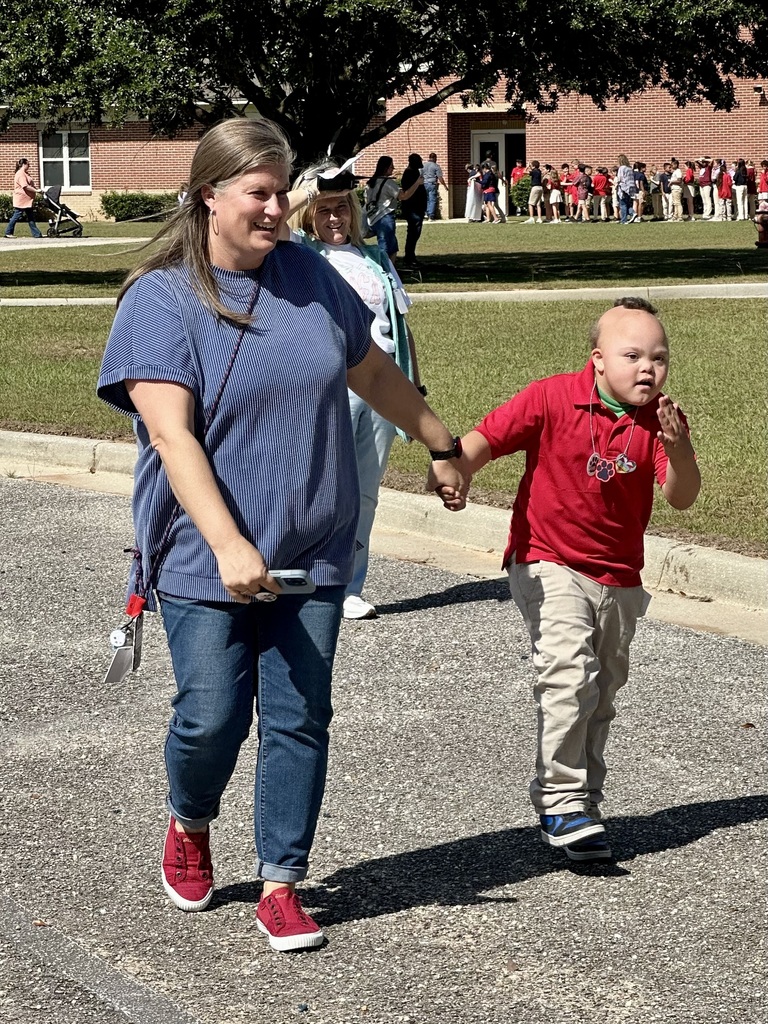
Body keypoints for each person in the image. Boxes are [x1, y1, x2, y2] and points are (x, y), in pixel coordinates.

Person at [96, 118, 469, 953]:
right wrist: (230, 544)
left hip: (313, 541)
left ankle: (282, 881)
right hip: (202, 552)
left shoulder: (308, 276)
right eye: (258, 194)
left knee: (300, 715)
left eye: (281, 192)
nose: (276, 211)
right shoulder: (162, 299)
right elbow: (172, 438)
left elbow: (369, 369)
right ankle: (191, 821)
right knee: (212, 715)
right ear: (209, 196)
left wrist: (441, 444)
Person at [443, 297, 700, 863]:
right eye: (632, 355)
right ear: (598, 360)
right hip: (547, 559)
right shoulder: (553, 396)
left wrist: (678, 445)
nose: (647, 369)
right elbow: (487, 438)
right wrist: (457, 468)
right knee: (568, 675)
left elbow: (681, 496)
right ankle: (560, 800)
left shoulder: (659, 420)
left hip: (620, 574)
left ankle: (584, 803)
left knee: (601, 691)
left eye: (659, 358)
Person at [282, 162, 424, 619]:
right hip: (332, 385)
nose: (334, 218)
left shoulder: (377, 261)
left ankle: (350, 587)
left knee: (365, 490)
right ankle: (311, 574)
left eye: (342, 209)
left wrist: (414, 386)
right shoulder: (303, 256)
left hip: (383, 387)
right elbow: (280, 222)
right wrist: (309, 190)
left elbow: (399, 326)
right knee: (323, 485)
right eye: (324, 211)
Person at [364, 156, 423, 263]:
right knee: (387, 248)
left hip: (372, 217)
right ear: (385, 168)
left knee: (390, 246)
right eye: (391, 166)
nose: (393, 168)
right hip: (385, 217)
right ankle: (387, 271)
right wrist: (417, 183)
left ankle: (390, 270)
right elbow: (403, 196)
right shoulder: (388, 183)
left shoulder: (371, 182)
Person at [399, 153, 428, 266]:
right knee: (413, 232)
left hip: (419, 208)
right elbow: (408, 191)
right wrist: (418, 183)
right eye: (419, 161)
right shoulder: (408, 174)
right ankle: (409, 257)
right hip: (412, 208)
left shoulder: (415, 172)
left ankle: (411, 256)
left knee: (415, 232)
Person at [4, 157, 42, 238]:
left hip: (27, 200)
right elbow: (25, 186)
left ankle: (36, 234)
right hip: (21, 200)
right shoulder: (20, 174)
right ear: (24, 164)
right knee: (17, 215)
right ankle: (8, 232)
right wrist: (36, 191)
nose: (29, 166)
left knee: (31, 216)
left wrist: (36, 190)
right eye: (28, 164)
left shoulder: (25, 173)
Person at [422, 152, 448, 220]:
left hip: (424, 183)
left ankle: (426, 213)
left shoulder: (423, 165)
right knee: (432, 200)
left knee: (426, 199)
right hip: (432, 184)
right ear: (435, 158)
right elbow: (440, 177)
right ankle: (431, 215)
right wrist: (445, 185)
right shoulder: (436, 166)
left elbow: (420, 175)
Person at [615, 155, 637, 224]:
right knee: (627, 203)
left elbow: (620, 178)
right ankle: (632, 213)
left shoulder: (621, 168)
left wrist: (616, 184)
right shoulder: (629, 168)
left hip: (623, 187)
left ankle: (624, 220)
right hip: (630, 188)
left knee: (623, 204)